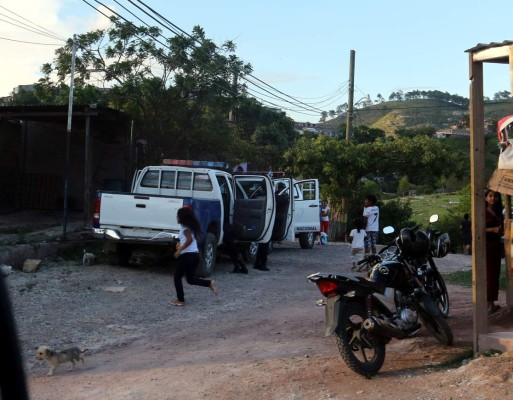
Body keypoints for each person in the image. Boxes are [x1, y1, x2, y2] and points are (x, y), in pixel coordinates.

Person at [170, 207, 217, 306]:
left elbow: (189, 240)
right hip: (194, 256)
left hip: (188, 256)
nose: (176, 217)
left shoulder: (185, 228)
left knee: (177, 276)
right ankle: (209, 283)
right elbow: (188, 241)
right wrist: (180, 246)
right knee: (190, 280)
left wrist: (180, 250)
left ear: (181, 217)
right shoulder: (189, 227)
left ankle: (180, 300)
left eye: (177, 215)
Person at [254, 182, 289, 271]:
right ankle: (262, 264)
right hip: (268, 221)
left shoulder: (257, 194)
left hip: (259, 220)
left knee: (261, 243)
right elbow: (283, 201)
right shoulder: (273, 196)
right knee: (265, 244)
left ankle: (257, 263)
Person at [484, 189, 504, 315]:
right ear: (486, 198)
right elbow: (477, 228)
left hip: (496, 246)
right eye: (490, 196)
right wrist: (492, 229)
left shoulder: (498, 211)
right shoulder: (482, 212)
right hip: (486, 246)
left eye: (495, 196)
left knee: (495, 274)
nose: (493, 199)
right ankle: (488, 304)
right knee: (489, 275)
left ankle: (492, 303)